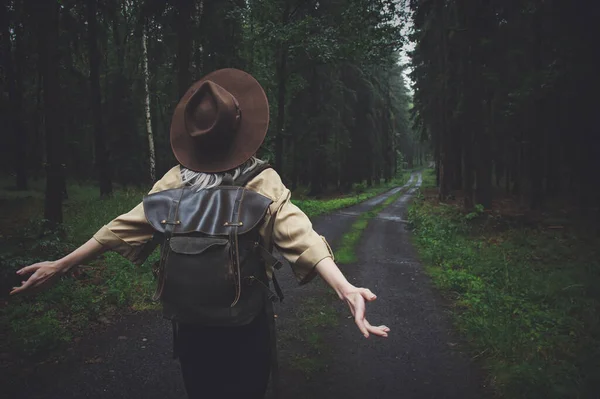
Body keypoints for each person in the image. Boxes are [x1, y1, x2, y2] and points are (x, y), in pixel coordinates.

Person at [10, 68, 390, 398]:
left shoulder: (173, 182)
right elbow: (301, 236)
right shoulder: (261, 182)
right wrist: (345, 289)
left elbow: (115, 230)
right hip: (245, 326)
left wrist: (60, 264)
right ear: (241, 130)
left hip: (189, 325)